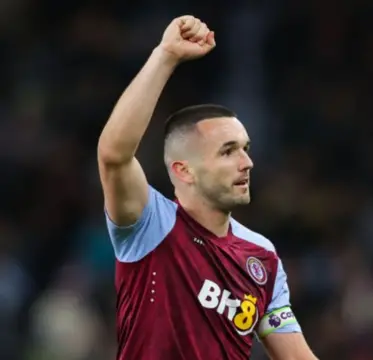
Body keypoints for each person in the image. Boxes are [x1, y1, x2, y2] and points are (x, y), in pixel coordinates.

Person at [97, 15, 317, 360]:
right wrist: (166, 55)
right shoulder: (150, 225)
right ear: (184, 171)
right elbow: (113, 155)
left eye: (245, 149)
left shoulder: (262, 256)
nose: (247, 163)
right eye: (228, 152)